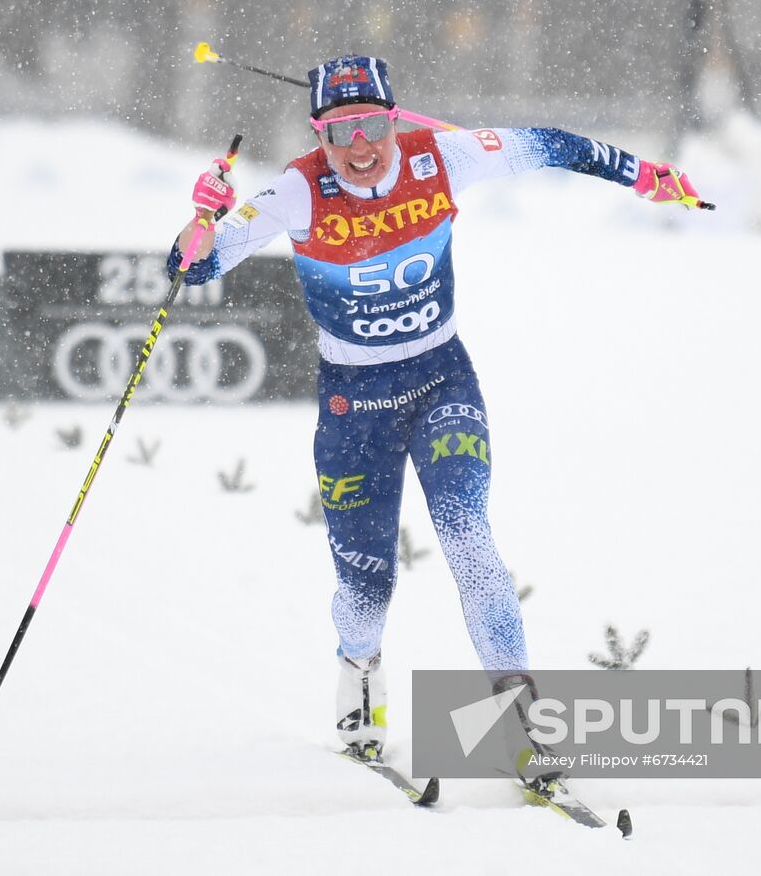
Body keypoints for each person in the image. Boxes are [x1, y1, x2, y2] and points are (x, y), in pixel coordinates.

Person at [169, 55, 705, 766]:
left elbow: (552, 143)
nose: (360, 147)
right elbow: (189, 269)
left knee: (466, 530)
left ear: (395, 118)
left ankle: (519, 713)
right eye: (339, 132)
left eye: (373, 125)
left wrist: (642, 175)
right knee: (366, 588)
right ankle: (360, 671)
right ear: (317, 134)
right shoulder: (295, 190)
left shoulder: (441, 157)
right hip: (353, 403)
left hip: (440, 380)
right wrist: (202, 218)